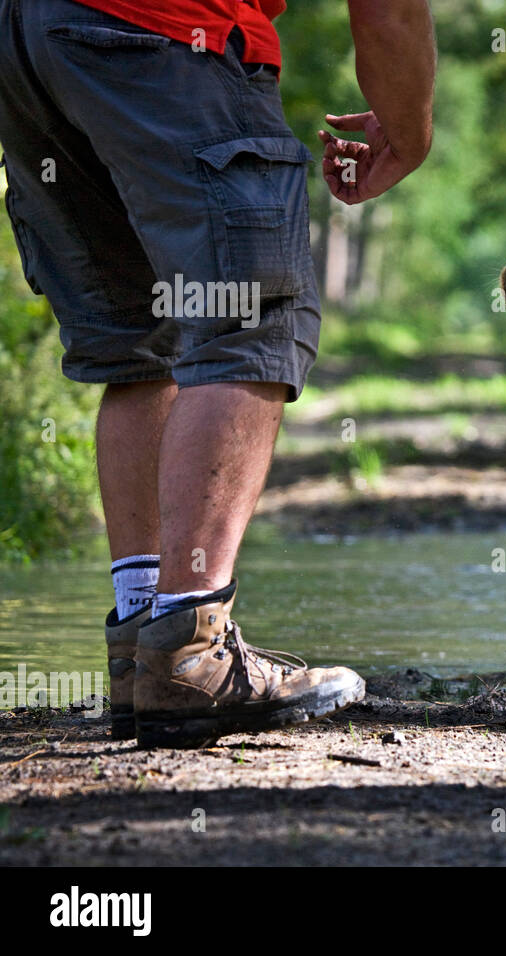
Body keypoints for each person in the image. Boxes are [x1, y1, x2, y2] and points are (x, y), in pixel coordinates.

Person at [0, 0, 436, 747]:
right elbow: (389, 11)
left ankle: (145, 644)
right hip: (166, 31)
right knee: (249, 323)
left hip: (27, 44)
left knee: (146, 340)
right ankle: (193, 648)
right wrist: (412, 129)